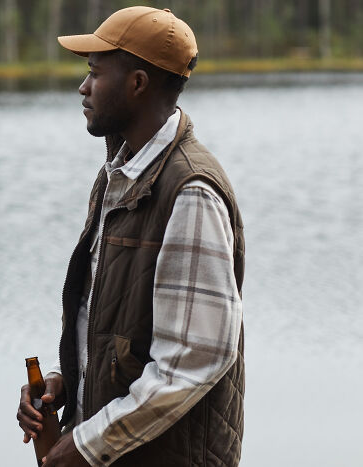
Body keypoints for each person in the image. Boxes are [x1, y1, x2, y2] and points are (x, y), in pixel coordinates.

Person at [17, 6, 245, 467]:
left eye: (94, 73)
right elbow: (114, 318)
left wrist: (86, 445)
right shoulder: (121, 174)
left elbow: (192, 359)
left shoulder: (189, 191)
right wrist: (69, 378)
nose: (83, 87)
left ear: (137, 84)